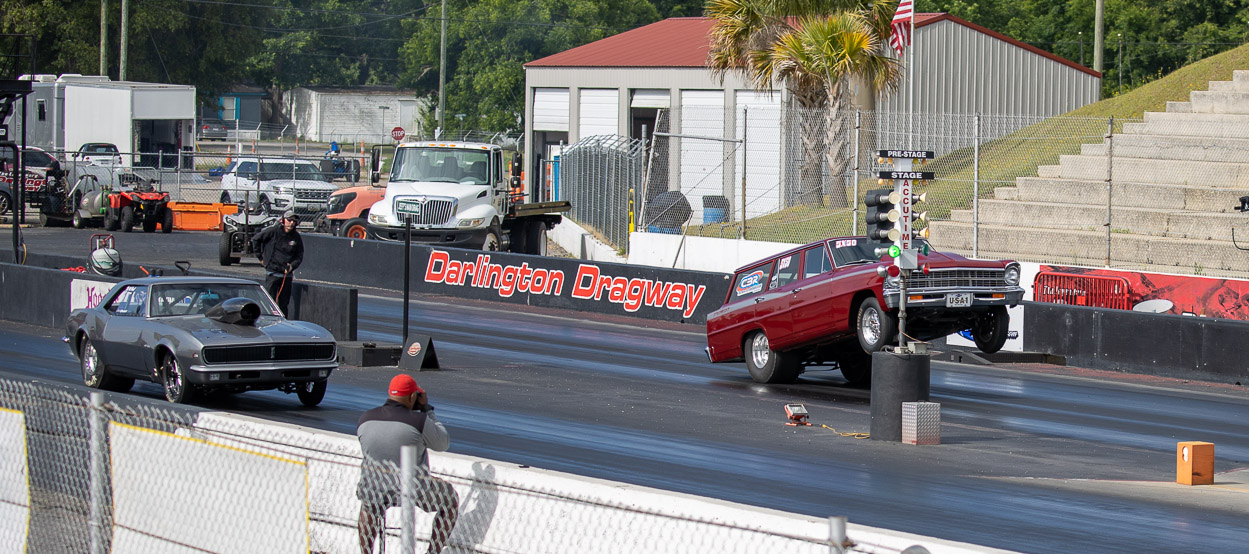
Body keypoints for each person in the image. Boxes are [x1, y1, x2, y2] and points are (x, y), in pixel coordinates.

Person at [356, 375, 458, 554]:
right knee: (450, 499)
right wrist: (427, 410)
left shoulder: (365, 419)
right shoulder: (418, 421)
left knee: (367, 506)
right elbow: (442, 443)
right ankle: (432, 552)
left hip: (375, 487)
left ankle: (366, 552)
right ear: (412, 397)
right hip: (414, 488)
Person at [252, 209, 304, 316]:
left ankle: (283, 321)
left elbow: (299, 255)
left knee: (284, 305)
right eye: (289, 220)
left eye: (294, 221)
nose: (291, 223)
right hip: (272, 274)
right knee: (269, 303)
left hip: (286, 276)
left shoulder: (296, 237)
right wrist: (261, 258)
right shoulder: (273, 231)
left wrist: (292, 266)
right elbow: (256, 239)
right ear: (283, 220)